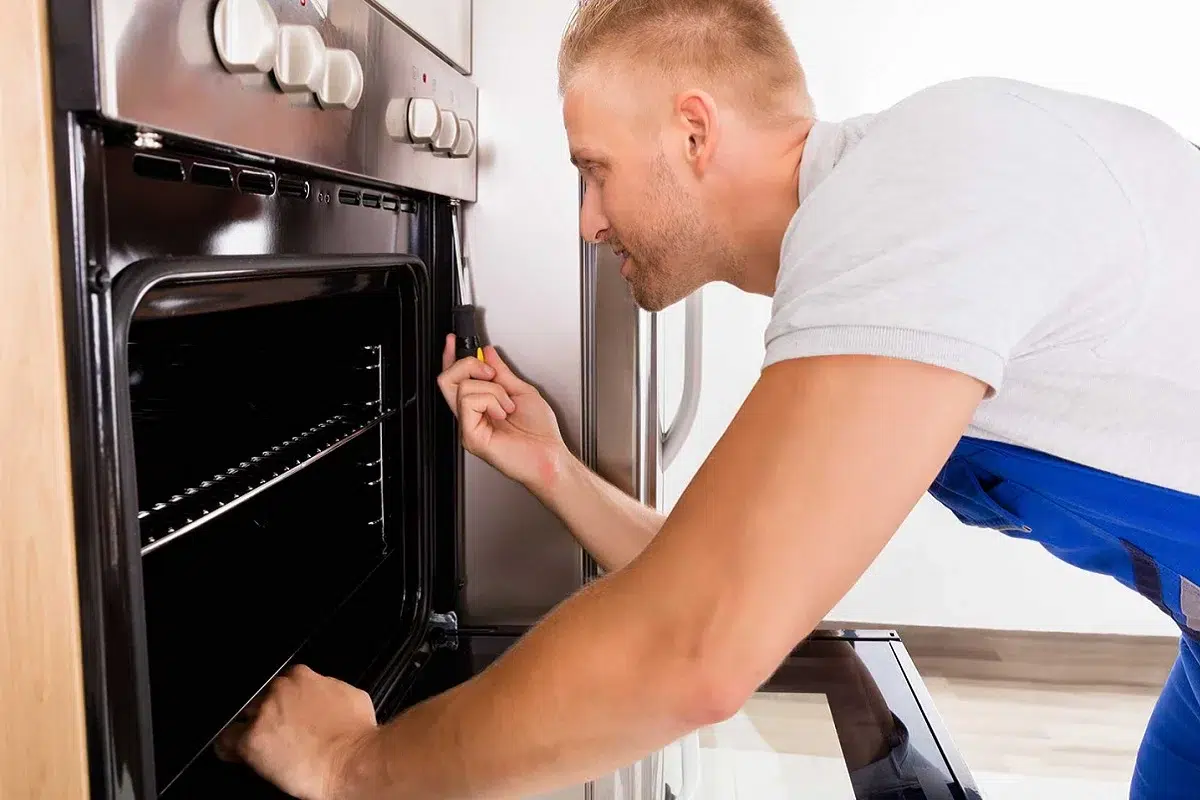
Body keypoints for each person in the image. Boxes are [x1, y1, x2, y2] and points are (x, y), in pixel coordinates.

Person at [217, 0, 1200, 797]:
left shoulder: (923, 193)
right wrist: (552, 464)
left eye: (593, 170)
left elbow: (698, 643)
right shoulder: (888, 244)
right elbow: (726, 578)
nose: (591, 221)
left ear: (693, 129)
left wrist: (356, 768)